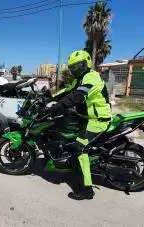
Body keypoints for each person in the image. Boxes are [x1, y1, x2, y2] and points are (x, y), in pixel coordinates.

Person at [47, 50, 112, 200]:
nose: (75, 70)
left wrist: (59, 106)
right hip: (88, 118)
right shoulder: (81, 79)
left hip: (98, 121)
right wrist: (48, 98)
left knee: (79, 148)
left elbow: (78, 96)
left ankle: (86, 190)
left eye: (78, 66)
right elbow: (67, 91)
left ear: (87, 64)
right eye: (73, 67)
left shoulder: (92, 77)